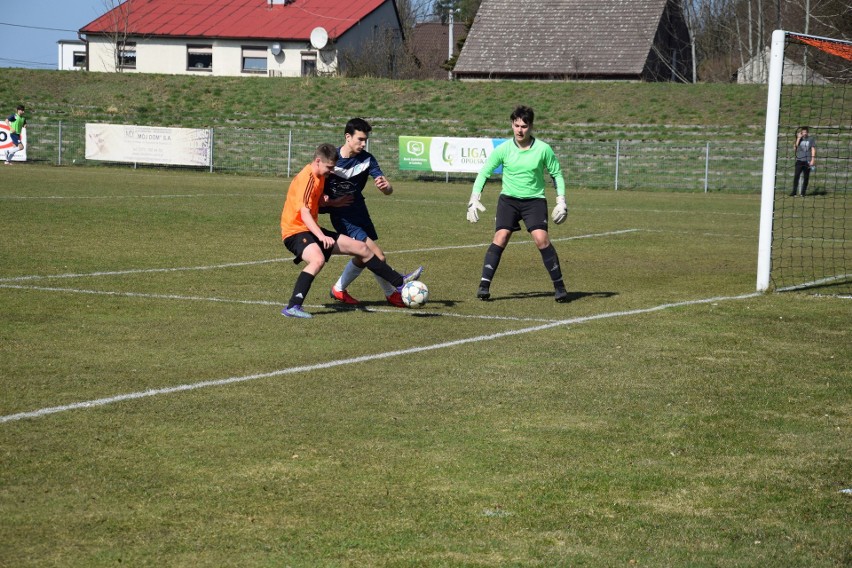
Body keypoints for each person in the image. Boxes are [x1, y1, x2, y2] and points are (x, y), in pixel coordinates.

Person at [280, 143, 422, 319]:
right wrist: (321, 236)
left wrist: (332, 203)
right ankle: (293, 307)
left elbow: (316, 204)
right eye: (329, 167)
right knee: (317, 260)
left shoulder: (320, 176)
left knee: (362, 248)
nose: (331, 171)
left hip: (309, 229)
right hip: (295, 232)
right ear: (318, 161)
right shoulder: (307, 178)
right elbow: (305, 212)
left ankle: (399, 283)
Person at [466, 105, 569, 303]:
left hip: (534, 201)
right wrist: (474, 198)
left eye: (524, 126)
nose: (519, 130)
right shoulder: (503, 149)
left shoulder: (543, 149)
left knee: (541, 239)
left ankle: (560, 287)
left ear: (531, 127)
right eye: (516, 125)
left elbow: (556, 173)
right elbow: (485, 171)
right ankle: (484, 286)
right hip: (509, 201)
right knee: (501, 237)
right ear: (512, 125)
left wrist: (561, 200)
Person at [323, 117, 421, 307]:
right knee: (378, 256)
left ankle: (339, 289)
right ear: (347, 137)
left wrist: (386, 187)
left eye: (365, 140)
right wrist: (329, 202)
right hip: (343, 217)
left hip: (360, 212)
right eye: (360, 139)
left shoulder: (367, 159)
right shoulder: (332, 159)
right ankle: (392, 292)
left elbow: (387, 190)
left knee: (362, 256)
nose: (363, 143)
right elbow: (317, 184)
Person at [791, 126, 816, 197]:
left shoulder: (811, 139)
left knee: (806, 177)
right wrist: (798, 138)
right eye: (803, 132)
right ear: (801, 133)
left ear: (807, 132)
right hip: (799, 160)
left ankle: (803, 193)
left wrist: (812, 160)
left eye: (806, 132)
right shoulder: (798, 139)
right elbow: (795, 148)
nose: (804, 133)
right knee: (796, 176)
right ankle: (794, 192)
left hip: (807, 160)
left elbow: (813, 149)